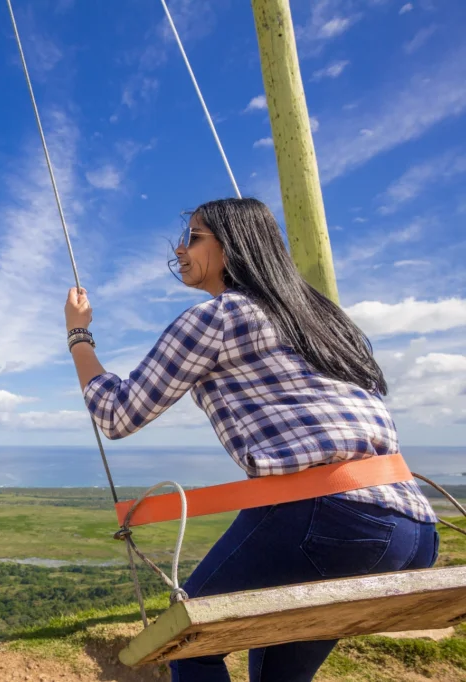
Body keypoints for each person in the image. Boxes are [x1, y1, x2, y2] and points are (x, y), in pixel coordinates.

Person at [63, 197, 439, 682]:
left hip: (331, 517)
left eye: (194, 237)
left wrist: (78, 335)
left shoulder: (218, 317)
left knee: (190, 641)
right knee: (278, 665)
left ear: (232, 245)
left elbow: (116, 414)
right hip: (413, 528)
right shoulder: (324, 321)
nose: (180, 249)